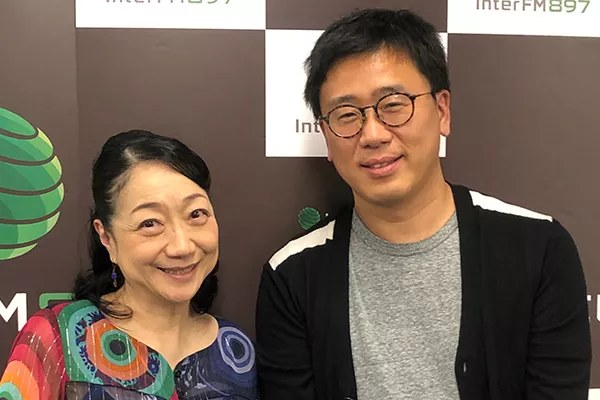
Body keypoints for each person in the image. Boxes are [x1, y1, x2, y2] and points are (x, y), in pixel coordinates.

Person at [255, 8, 591, 400]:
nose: (373, 134)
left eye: (393, 105)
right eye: (346, 115)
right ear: (326, 137)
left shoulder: (539, 248)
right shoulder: (291, 275)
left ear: (442, 110)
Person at [0, 130, 257, 399]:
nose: (182, 247)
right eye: (150, 223)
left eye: (196, 214)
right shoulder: (55, 336)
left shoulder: (236, 349)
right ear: (107, 237)